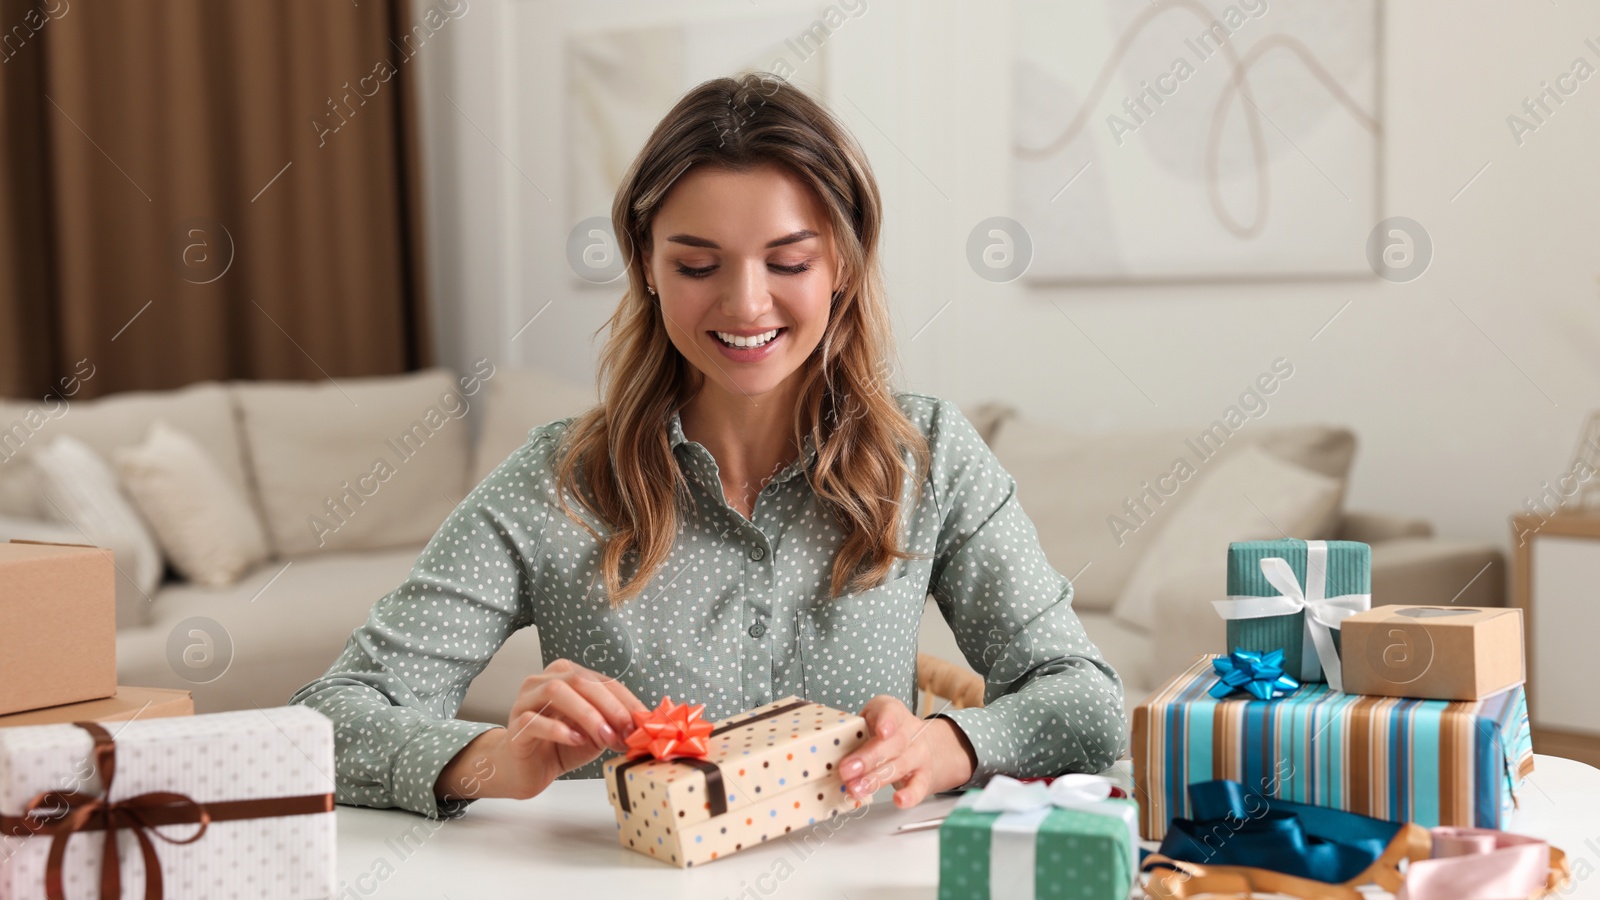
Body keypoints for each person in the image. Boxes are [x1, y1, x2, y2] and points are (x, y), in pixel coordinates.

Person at [288, 71, 1126, 821]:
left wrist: (944, 748)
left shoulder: (931, 456)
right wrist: (494, 762)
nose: (746, 304)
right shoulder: (558, 480)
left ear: (842, 263)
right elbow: (328, 718)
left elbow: (1085, 701)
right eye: (697, 267)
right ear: (646, 267)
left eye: (788, 261)